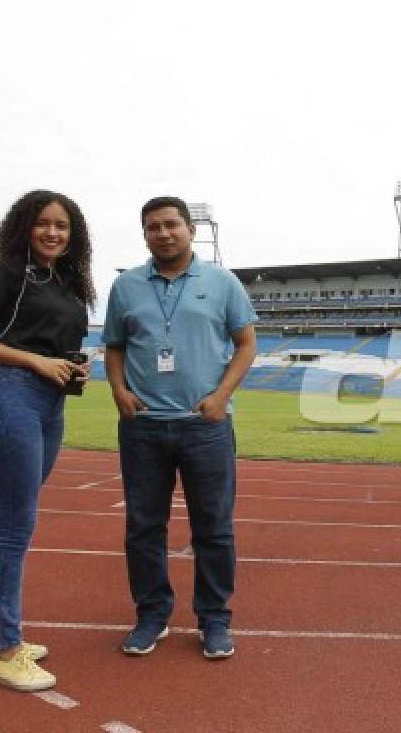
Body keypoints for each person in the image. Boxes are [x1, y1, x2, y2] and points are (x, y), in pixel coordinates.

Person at [102, 196, 257, 659]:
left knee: (213, 528)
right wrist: (118, 390)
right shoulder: (126, 286)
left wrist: (221, 396)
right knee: (143, 527)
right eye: (153, 227)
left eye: (171, 224)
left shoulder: (222, 282)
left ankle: (214, 619)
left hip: (203, 426)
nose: (163, 233)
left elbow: (246, 344)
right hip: (143, 426)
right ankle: (152, 615)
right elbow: (114, 346)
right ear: (145, 234)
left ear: (191, 229)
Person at [0, 190, 95, 691]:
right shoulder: (7, 273)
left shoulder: (69, 286)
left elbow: (55, 346)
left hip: (50, 405)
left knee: (2, 522)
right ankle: (7, 651)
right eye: (43, 223)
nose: (53, 233)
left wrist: (75, 369)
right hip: (10, 398)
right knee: (16, 527)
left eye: (62, 226)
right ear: (24, 227)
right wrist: (35, 360)